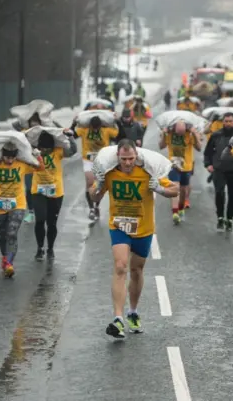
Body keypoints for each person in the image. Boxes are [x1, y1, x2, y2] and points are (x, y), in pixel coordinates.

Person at [91, 139, 179, 338]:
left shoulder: (148, 171)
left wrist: (160, 189)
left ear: (136, 157)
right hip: (119, 225)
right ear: (117, 157)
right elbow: (95, 198)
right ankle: (118, 319)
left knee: (136, 270)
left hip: (143, 227)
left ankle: (132, 312)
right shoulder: (110, 173)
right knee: (120, 266)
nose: (128, 163)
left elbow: (175, 189)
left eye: (131, 159)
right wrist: (98, 186)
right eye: (124, 159)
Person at [0, 142, 45, 277]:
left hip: (18, 204)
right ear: (2, 156)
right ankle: (5, 257)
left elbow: (40, 168)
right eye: (7, 157)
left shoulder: (22, 165)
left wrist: (37, 154)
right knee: (2, 234)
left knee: (12, 233)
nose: (10, 160)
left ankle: (10, 263)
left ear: (16, 156)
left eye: (12, 158)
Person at [31, 130, 77, 260]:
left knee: (52, 223)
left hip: (56, 192)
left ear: (52, 147)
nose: (44, 151)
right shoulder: (33, 153)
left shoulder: (58, 152)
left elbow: (73, 151)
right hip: (38, 190)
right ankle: (40, 248)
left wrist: (70, 137)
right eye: (42, 148)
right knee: (40, 220)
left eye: (47, 149)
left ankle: (50, 248)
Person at [69, 115, 120, 221]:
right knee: (90, 182)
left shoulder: (106, 131)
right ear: (90, 126)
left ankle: (97, 205)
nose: (96, 130)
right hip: (88, 160)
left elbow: (118, 135)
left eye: (97, 128)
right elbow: (71, 134)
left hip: (102, 160)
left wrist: (117, 121)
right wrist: (74, 123)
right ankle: (91, 208)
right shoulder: (84, 130)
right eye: (94, 128)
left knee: (100, 186)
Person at [159, 121, 201, 224]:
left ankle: (181, 207)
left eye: (182, 133)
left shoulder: (190, 135)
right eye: (178, 132)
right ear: (174, 128)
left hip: (186, 166)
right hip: (173, 165)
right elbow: (161, 146)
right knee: (175, 187)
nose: (180, 135)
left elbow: (199, 148)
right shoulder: (169, 134)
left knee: (183, 190)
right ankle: (175, 213)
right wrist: (163, 135)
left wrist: (195, 134)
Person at [204, 113, 233, 231]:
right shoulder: (216, 135)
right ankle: (220, 217)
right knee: (219, 194)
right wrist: (208, 164)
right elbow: (208, 151)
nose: (228, 123)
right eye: (226, 121)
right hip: (219, 169)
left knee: (232, 196)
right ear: (222, 122)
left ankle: (229, 219)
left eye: (230, 121)